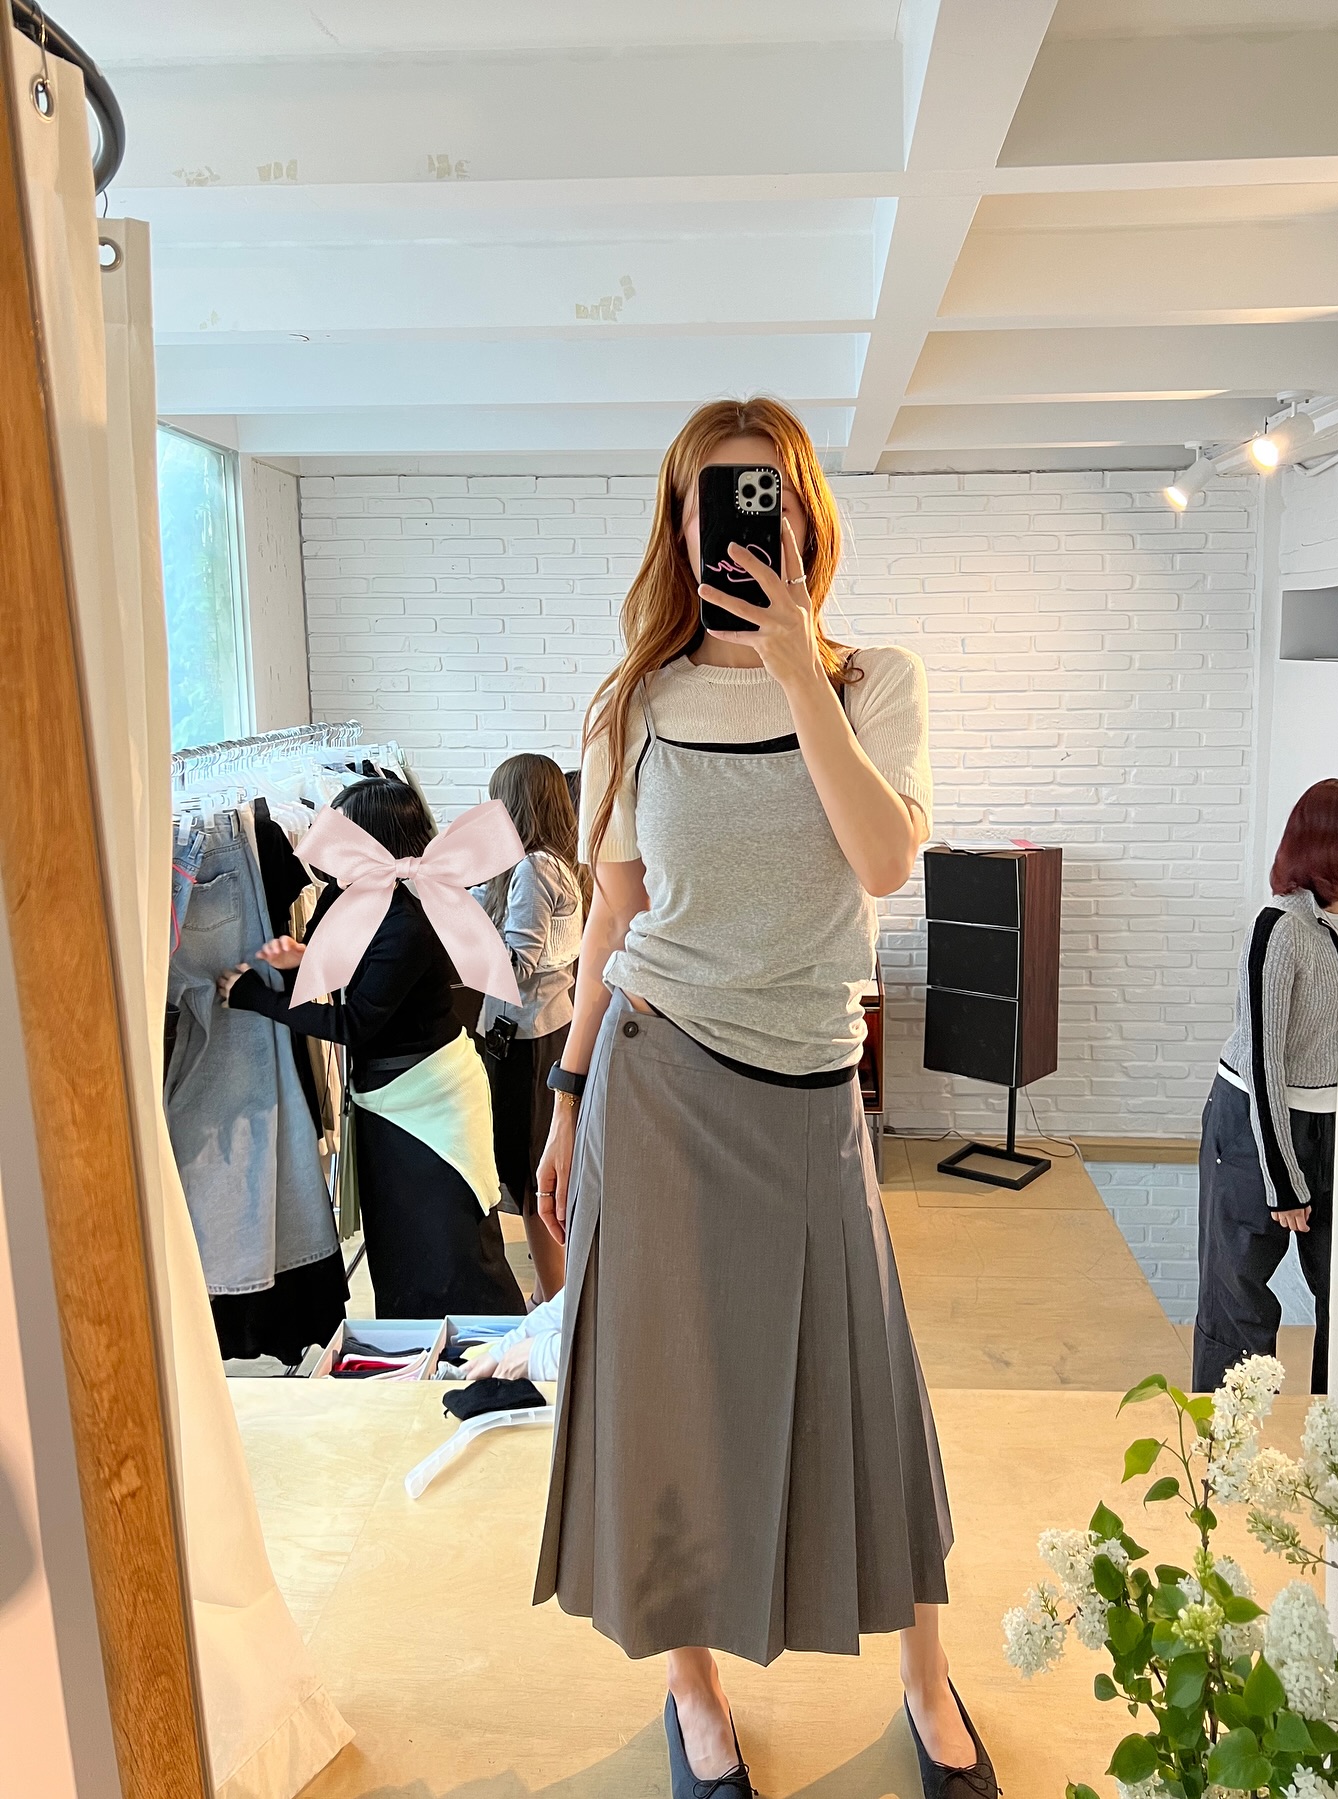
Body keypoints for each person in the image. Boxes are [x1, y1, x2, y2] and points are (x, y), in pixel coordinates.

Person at [531, 397, 995, 1799]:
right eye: (710, 499)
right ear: (680, 526)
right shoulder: (634, 704)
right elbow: (615, 918)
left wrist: (798, 671)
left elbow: (884, 862)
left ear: (805, 514)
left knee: (872, 1387)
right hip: (658, 1079)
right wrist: (565, 1093)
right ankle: (697, 1697)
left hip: (809, 1089)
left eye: (766, 493)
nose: (739, 521)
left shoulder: (875, 680)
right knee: (670, 1401)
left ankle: (926, 1679)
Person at [219, 778, 525, 1320]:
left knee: (447, 1242)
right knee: (401, 1242)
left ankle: (484, 1348)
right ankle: (413, 1348)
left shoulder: (409, 921)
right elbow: (353, 968)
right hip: (388, 1098)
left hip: (431, 1100)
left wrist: (255, 998)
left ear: (372, 840)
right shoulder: (358, 900)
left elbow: (355, 1022)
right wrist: (304, 957)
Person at [1193, 777, 1338, 1397]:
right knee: (1238, 1302)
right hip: (1252, 1125)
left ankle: (1334, 1448)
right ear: (1329, 845)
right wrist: (1283, 1178)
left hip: (1336, 1127)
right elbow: (1265, 1059)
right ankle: (1229, 1446)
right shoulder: (1281, 928)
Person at [479, 754, 585, 1304]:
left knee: (530, 1176)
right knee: (535, 1173)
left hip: (529, 1040)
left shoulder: (533, 869)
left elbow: (517, 964)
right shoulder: (555, 864)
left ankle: (551, 1302)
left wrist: (462, 946)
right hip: (545, 1031)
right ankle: (551, 1296)